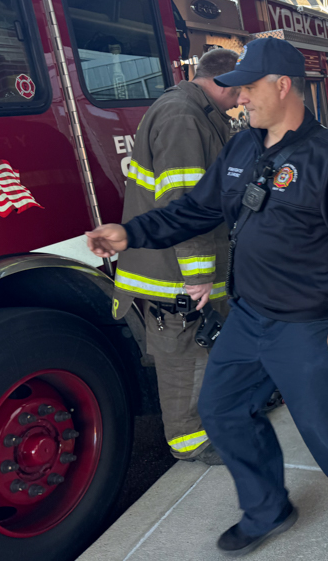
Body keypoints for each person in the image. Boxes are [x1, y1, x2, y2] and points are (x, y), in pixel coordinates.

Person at [86, 38, 328, 557]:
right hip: (249, 319)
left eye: (248, 88)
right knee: (221, 409)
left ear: (282, 85)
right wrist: (129, 233)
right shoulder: (242, 147)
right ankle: (268, 508)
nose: (241, 98)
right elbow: (195, 211)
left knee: (326, 427)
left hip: (308, 324)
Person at [110, 48, 240, 465]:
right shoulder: (184, 118)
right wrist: (199, 276)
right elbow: (183, 205)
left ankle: (212, 422)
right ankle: (189, 442)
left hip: (179, 268)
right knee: (183, 356)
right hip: (173, 275)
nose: (245, 98)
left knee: (201, 351)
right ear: (225, 81)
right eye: (244, 88)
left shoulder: (199, 113)